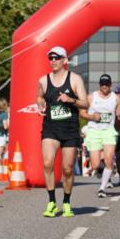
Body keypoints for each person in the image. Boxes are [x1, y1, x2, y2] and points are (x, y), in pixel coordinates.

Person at [35, 45, 89, 218]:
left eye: (56, 58)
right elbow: (39, 96)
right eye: (50, 58)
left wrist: (70, 99)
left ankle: (66, 202)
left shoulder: (75, 79)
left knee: (67, 169)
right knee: (47, 163)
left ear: (65, 60)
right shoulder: (43, 80)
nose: (53, 61)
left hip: (70, 129)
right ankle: (51, 202)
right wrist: (40, 103)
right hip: (50, 127)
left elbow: (85, 103)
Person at [81, 74, 120, 198]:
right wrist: (92, 117)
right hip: (94, 131)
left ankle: (102, 188)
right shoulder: (91, 97)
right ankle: (99, 169)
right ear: (99, 84)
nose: (104, 86)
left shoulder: (115, 98)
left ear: (110, 84)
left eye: (107, 84)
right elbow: (82, 113)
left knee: (109, 158)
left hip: (108, 131)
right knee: (94, 165)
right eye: (102, 84)